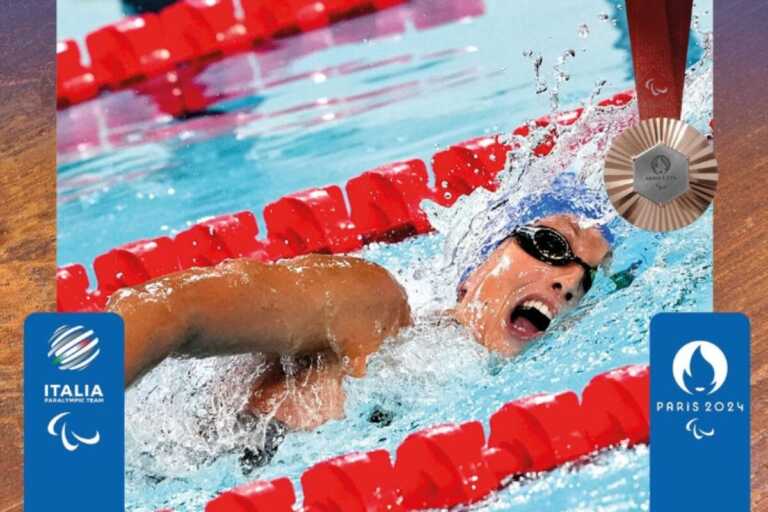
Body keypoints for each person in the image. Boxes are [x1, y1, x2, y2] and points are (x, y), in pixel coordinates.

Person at [110, 213, 609, 434]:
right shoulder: (372, 304)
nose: (569, 281)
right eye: (551, 245)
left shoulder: (498, 399)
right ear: (474, 271)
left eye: (587, 281)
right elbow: (164, 309)